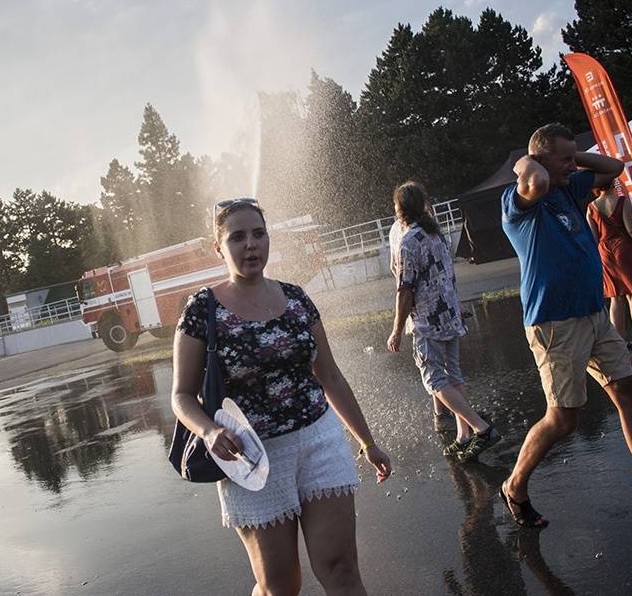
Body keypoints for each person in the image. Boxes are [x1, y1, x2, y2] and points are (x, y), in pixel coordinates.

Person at [498, 123, 632, 532]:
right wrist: (529, 161)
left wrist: (571, 158)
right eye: (563, 159)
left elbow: (614, 167)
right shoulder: (519, 203)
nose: (573, 166)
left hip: (595, 314)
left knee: (631, 396)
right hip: (554, 323)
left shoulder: (568, 188)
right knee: (564, 419)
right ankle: (514, 485)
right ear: (540, 161)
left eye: (573, 159)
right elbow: (536, 178)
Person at [173, 198, 392, 596]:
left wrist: (368, 442)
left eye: (258, 234)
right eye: (237, 237)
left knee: (341, 569)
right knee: (280, 585)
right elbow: (182, 396)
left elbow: (331, 377)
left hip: (319, 441)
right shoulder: (201, 308)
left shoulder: (296, 298)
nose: (251, 245)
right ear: (219, 247)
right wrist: (207, 432)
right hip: (252, 459)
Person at [386, 181, 501, 462]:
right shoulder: (436, 234)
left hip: (428, 321)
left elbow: (405, 290)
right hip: (448, 316)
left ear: (400, 209)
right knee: (454, 374)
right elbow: (447, 276)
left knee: (435, 381)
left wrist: (397, 330)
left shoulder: (408, 242)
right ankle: (462, 436)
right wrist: (456, 306)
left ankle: (481, 428)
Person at [389, 217, 454, 433]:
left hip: (430, 312)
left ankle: (462, 421)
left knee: (437, 372)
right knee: (442, 370)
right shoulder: (413, 232)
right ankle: (450, 418)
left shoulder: (417, 232)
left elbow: (403, 281)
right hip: (434, 312)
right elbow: (403, 280)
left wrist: (397, 330)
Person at [587, 184, 632, 350]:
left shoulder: (591, 207)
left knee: (615, 297)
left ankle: (620, 342)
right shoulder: (622, 202)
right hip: (625, 249)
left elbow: (593, 237)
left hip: (604, 251)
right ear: (613, 182)